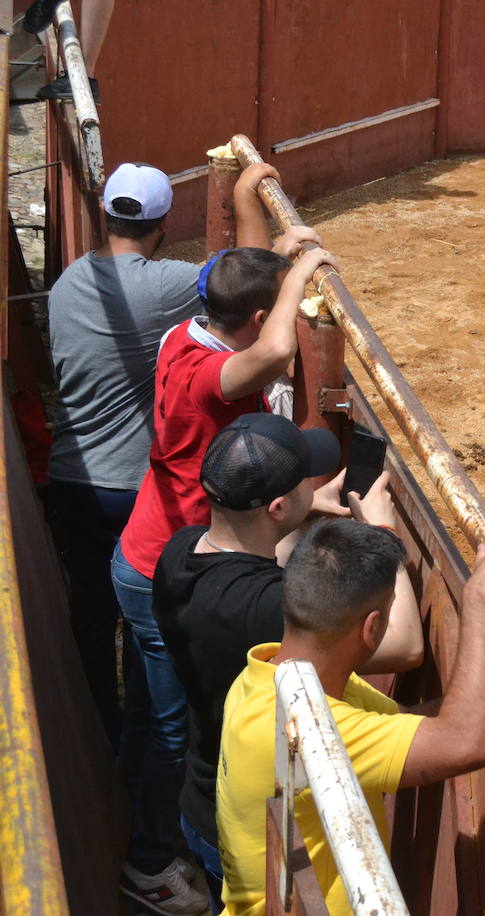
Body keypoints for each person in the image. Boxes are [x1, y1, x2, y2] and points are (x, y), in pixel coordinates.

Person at [112, 197, 330, 912]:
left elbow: (237, 290)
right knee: (176, 731)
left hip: (142, 548)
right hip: (157, 566)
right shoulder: (219, 375)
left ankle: (141, 816)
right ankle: (149, 863)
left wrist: (271, 246)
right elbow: (271, 352)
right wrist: (301, 270)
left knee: (151, 713)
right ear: (258, 320)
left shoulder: (189, 334)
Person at [44, 160, 304, 749]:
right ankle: (147, 760)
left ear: (104, 213)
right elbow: (241, 289)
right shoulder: (164, 288)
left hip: (71, 475)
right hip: (137, 488)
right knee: (152, 636)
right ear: (162, 224)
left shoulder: (65, 283)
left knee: (91, 613)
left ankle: (104, 737)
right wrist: (254, 212)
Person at [153, 414, 423, 908]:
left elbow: (249, 562)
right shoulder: (259, 608)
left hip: (203, 792)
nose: (315, 483)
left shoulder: (178, 553)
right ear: (275, 507)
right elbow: (404, 645)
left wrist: (302, 510)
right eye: (306, 481)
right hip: (244, 828)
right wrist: (382, 536)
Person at [217, 522, 485, 914]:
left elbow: (410, 721)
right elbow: (467, 741)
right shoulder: (312, 728)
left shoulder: (266, 677)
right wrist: (478, 598)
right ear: (371, 628)